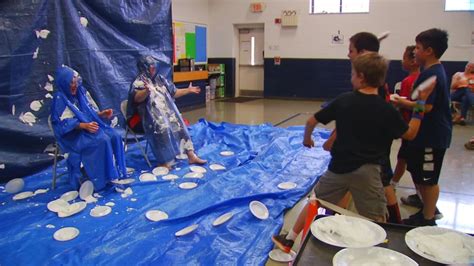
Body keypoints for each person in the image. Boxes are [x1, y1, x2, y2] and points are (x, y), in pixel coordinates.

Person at [272, 52, 435, 253]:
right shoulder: (386, 109)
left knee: (316, 202)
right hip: (368, 172)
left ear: (360, 77)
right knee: (375, 217)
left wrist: (307, 138)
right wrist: (419, 108)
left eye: (352, 73)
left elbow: (311, 120)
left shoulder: (344, 100)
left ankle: (289, 239)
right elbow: (409, 134)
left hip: (337, 169)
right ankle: (377, 252)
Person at [392, 28, 452, 226]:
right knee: (418, 172)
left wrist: (402, 102)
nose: (414, 52)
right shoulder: (429, 71)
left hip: (432, 137)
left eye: (417, 48)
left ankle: (428, 218)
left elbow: (426, 106)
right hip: (423, 135)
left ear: (429, 51)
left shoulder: (433, 74)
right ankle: (424, 206)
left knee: (429, 178)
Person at [51, 66, 127, 190]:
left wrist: (101, 114)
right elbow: (60, 124)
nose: (75, 85)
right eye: (71, 83)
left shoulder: (80, 93)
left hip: (87, 129)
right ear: (64, 82)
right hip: (71, 136)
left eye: (76, 82)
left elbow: (88, 113)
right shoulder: (59, 98)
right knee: (102, 140)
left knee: (114, 135)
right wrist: (82, 125)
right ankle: (100, 179)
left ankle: (112, 172)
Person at [127, 55, 206, 169]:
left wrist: (188, 90)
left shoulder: (160, 79)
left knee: (178, 123)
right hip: (145, 119)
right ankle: (164, 161)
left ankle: (191, 155)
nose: (153, 69)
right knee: (161, 127)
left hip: (164, 114)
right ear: (144, 68)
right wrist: (146, 91)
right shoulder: (138, 82)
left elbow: (173, 92)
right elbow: (137, 98)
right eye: (151, 67)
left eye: (154, 67)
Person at [390, 46, 420, 189]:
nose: (402, 62)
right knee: (404, 158)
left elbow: (415, 105)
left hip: (409, 126)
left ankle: (393, 184)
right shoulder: (417, 78)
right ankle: (394, 182)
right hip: (412, 125)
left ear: (413, 61)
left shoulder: (410, 81)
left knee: (405, 159)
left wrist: (398, 102)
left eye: (404, 58)